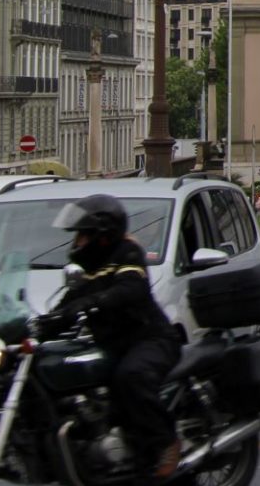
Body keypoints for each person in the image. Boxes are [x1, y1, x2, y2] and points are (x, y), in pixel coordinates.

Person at [43, 195, 180, 483]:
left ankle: (165, 442)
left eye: (82, 235)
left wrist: (91, 302)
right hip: (113, 346)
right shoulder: (88, 272)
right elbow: (66, 308)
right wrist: (35, 328)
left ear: (101, 234)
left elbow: (130, 289)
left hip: (150, 340)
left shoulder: (127, 254)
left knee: (131, 377)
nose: (76, 242)